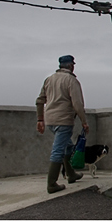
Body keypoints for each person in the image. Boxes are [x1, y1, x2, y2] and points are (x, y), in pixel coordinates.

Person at [36, 54, 89, 194]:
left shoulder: (49, 79)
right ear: (71, 66)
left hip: (50, 120)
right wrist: (84, 122)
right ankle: (52, 184)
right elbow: (77, 104)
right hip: (64, 120)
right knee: (58, 150)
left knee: (68, 146)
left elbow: (40, 100)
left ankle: (71, 174)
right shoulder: (71, 80)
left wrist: (40, 119)